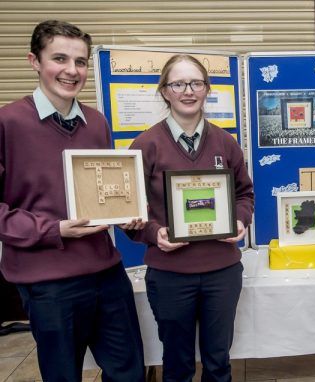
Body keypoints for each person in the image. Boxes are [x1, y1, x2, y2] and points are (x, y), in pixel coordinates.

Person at [0, 20, 145, 381]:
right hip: (48, 282)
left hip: (107, 273)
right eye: (59, 58)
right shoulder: (8, 123)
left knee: (128, 372)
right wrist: (55, 229)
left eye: (80, 62)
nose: (72, 70)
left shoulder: (96, 122)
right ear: (34, 61)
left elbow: (105, 190)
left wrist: (127, 214)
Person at [128, 54, 254, 382]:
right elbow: (128, 210)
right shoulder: (144, 145)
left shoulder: (226, 143)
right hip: (170, 276)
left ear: (207, 89)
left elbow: (245, 194)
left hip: (222, 273)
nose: (188, 90)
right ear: (165, 91)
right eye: (178, 83)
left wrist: (240, 221)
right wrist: (154, 233)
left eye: (196, 83)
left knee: (218, 361)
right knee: (178, 364)